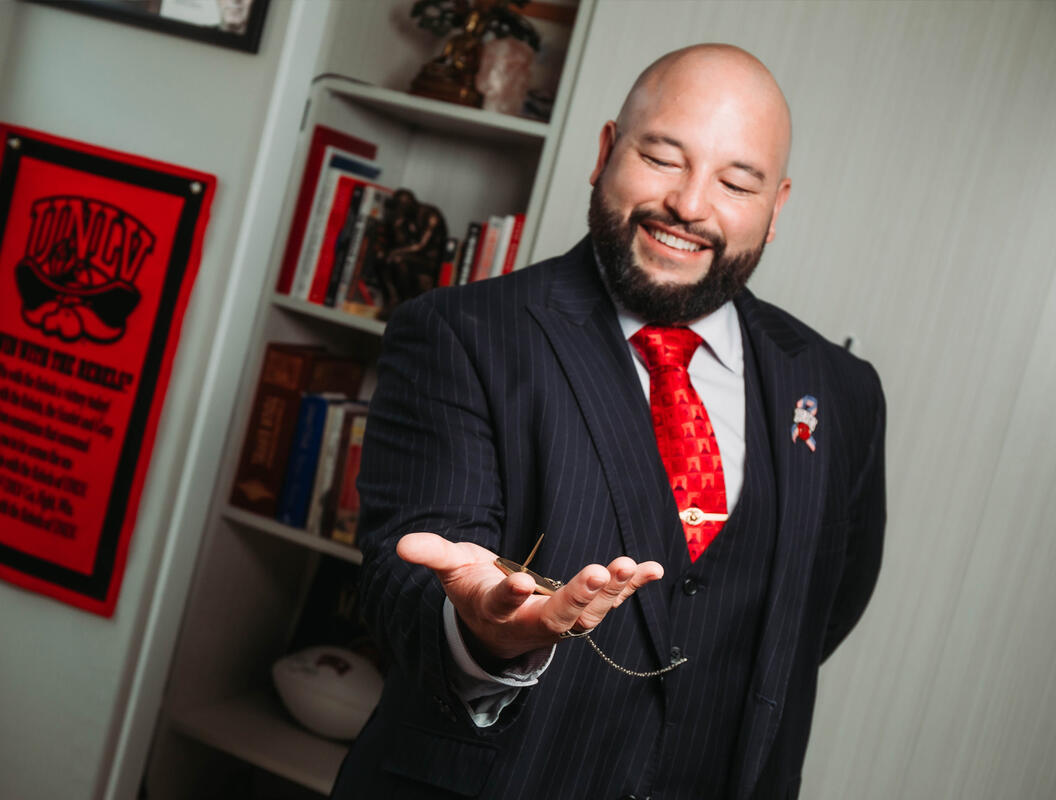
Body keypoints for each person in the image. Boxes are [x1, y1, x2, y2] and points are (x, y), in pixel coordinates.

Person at [332, 43, 886, 800]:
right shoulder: (460, 334)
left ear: (776, 207)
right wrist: (488, 636)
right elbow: (404, 583)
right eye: (661, 159)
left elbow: (825, 610)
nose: (689, 205)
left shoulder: (842, 391)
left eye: (735, 182)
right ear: (604, 153)